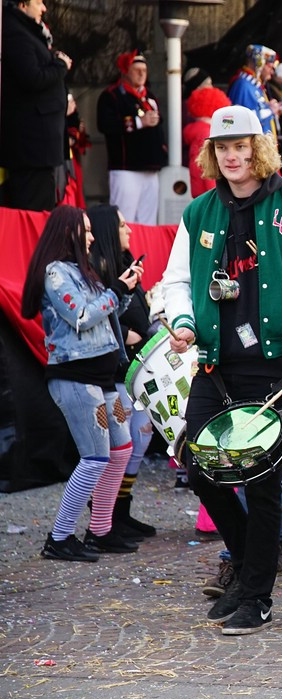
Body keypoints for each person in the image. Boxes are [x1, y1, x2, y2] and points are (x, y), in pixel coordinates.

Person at [161, 105, 282, 635]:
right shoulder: (198, 213)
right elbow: (176, 281)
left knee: (262, 484)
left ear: (258, 149)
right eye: (222, 148)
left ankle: (258, 596)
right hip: (216, 364)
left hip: (279, 366)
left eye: (240, 146)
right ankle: (246, 568)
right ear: (212, 155)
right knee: (199, 469)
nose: (232, 156)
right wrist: (182, 321)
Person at [21, 206, 144, 561]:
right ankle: (58, 538)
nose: (91, 237)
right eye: (86, 230)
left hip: (102, 380)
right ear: (69, 233)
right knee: (94, 458)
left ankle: (100, 531)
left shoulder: (79, 271)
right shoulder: (55, 274)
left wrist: (124, 293)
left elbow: (105, 318)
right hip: (76, 380)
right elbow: (81, 317)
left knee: (120, 451)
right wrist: (115, 289)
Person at [87, 205, 157, 541]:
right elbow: (100, 316)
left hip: (135, 366)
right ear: (106, 231)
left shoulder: (124, 263)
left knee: (139, 438)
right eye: (122, 225)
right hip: (115, 371)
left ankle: (121, 509)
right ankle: (105, 515)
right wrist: (128, 331)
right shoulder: (96, 272)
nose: (129, 230)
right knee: (120, 445)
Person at [0, 0, 71, 211]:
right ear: (23, 5)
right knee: (31, 212)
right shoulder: (15, 33)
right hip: (31, 149)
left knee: (42, 209)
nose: (44, 9)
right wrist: (60, 65)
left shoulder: (27, 32)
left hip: (39, 150)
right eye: (39, 2)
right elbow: (33, 78)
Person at [97, 51, 168, 224]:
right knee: (124, 220)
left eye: (144, 69)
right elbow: (105, 125)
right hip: (126, 169)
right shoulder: (111, 95)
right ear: (125, 71)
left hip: (151, 169)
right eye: (136, 69)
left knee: (148, 223)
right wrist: (138, 122)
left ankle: (144, 252)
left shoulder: (149, 96)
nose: (142, 73)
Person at [182, 85, 232, 198]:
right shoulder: (207, 134)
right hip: (210, 195)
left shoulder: (199, 132)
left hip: (201, 192)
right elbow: (210, 169)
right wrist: (218, 196)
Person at [228, 45, 279, 138]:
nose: (272, 72)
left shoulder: (253, 84)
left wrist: (269, 107)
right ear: (260, 63)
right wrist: (270, 110)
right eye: (270, 67)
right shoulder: (243, 85)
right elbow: (245, 119)